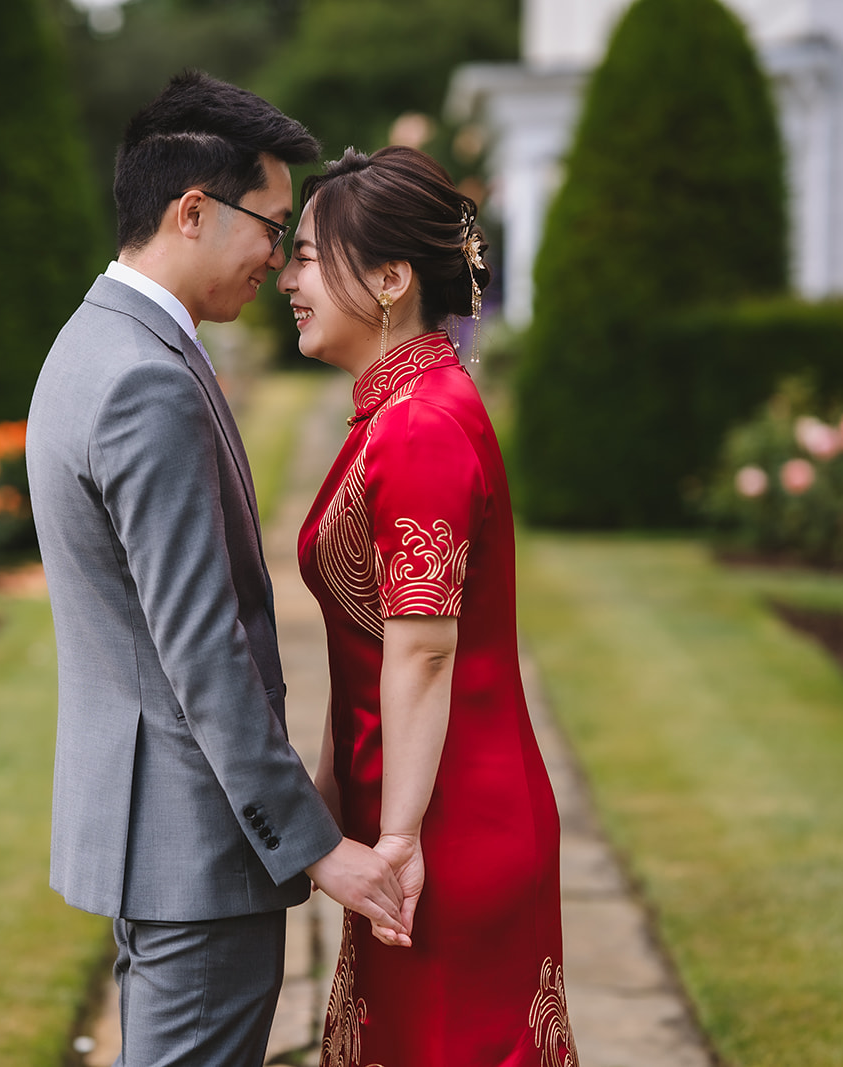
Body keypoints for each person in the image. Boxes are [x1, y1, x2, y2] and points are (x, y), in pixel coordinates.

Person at [25, 72, 409, 1067]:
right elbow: (202, 651)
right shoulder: (146, 379)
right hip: (197, 851)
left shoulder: (93, 343)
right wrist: (320, 845)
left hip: (151, 836)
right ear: (192, 211)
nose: (281, 262)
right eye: (273, 228)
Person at [277, 145, 580, 1066]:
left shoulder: (419, 424)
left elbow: (421, 650)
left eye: (306, 255)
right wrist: (333, 800)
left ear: (390, 278)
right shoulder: (397, 408)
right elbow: (362, 639)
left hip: (450, 830)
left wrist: (400, 837)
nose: (286, 278)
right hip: (408, 810)